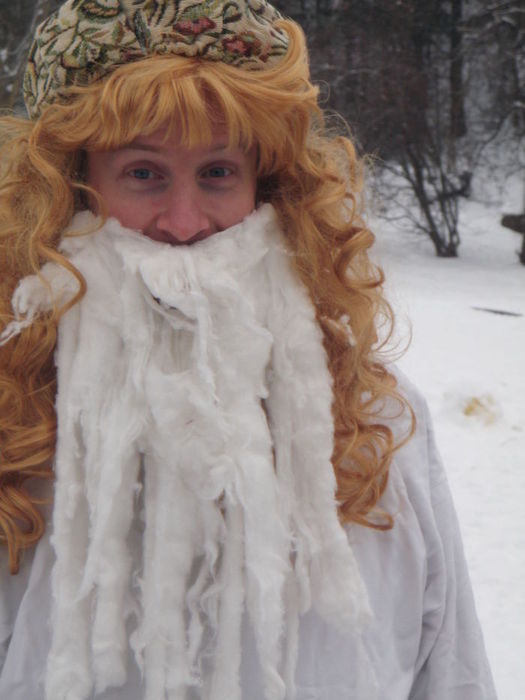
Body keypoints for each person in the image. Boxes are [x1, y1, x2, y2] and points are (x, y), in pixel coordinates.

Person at [0, 1, 497, 699]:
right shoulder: (15, 419)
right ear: (68, 188)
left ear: (270, 188)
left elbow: (448, 667)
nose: (184, 224)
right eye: (143, 173)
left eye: (217, 173)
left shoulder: (373, 416)